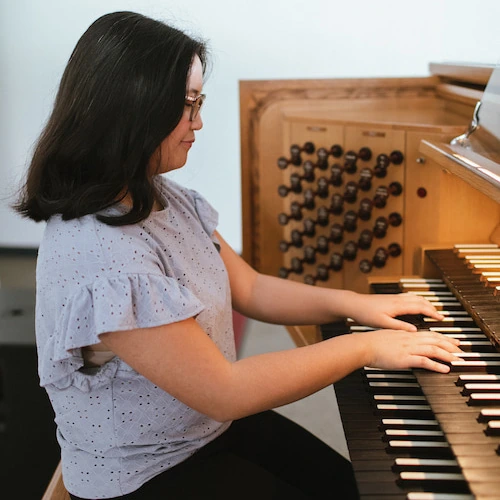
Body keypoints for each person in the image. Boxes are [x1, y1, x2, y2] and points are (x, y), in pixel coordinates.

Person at [15, 11, 462, 500]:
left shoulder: (159, 194)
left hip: (201, 431)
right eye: (186, 104)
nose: (198, 122)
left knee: (361, 488)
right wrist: (365, 348)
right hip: (147, 473)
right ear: (134, 108)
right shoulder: (104, 256)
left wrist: (354, 305)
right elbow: (225, 390)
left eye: (198, 101)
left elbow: (249, 287)